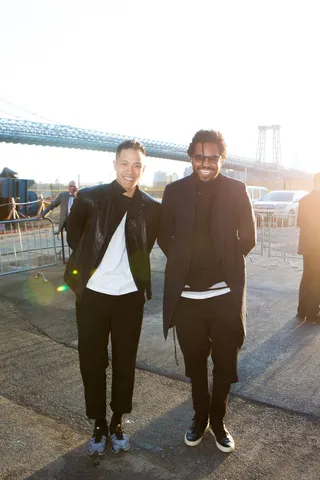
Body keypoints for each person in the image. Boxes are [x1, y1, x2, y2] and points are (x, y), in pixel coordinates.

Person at [158, 130, 256, 453]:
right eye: (199, 157)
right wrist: (184, 263)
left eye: (212, 157)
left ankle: (218, 420)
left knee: (225, 362)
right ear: (191, 158)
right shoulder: (174, 192)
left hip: (225, 295)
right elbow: (163, 236)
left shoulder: (237, 190)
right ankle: (200, 416)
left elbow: (249, 238)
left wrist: (226, 261)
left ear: (221, 159)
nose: (205, 163)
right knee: (196, 363)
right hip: (188, 299)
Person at [64, 140, 160, 456]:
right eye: (125, 163)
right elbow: (74, 235)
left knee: (124, 363)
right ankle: (98, 422)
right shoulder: (90, 199)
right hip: (92, 296)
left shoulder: (150, 207)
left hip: (129, 298)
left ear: (143, 169)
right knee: (92, 362)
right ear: (115, 163)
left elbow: (146, 245)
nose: (130, 171)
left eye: (137, 165)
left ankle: (118, 420)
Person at [297, 172, 320, 323]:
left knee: (307, 276)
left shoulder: (304, 200)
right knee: (317, 279)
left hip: (307, 245)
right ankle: (312, 314)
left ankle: (302, 310)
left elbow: (299, 222)